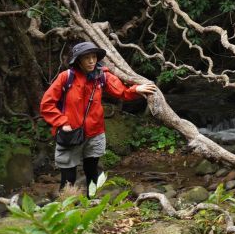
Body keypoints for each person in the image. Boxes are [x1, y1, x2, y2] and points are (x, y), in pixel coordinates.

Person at [40, 41, 157, 196]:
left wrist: (137, 89)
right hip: (70, 133)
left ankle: (91, 201)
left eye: (94, 57)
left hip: (95, 132)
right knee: (68, 175)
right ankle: (65, 207)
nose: (91, 61)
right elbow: (46, 104)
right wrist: (62, 122)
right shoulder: (66, 78)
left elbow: (121, 92)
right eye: (86, 57)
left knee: (92, 172)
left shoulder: (102, 76)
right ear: (78, 60)